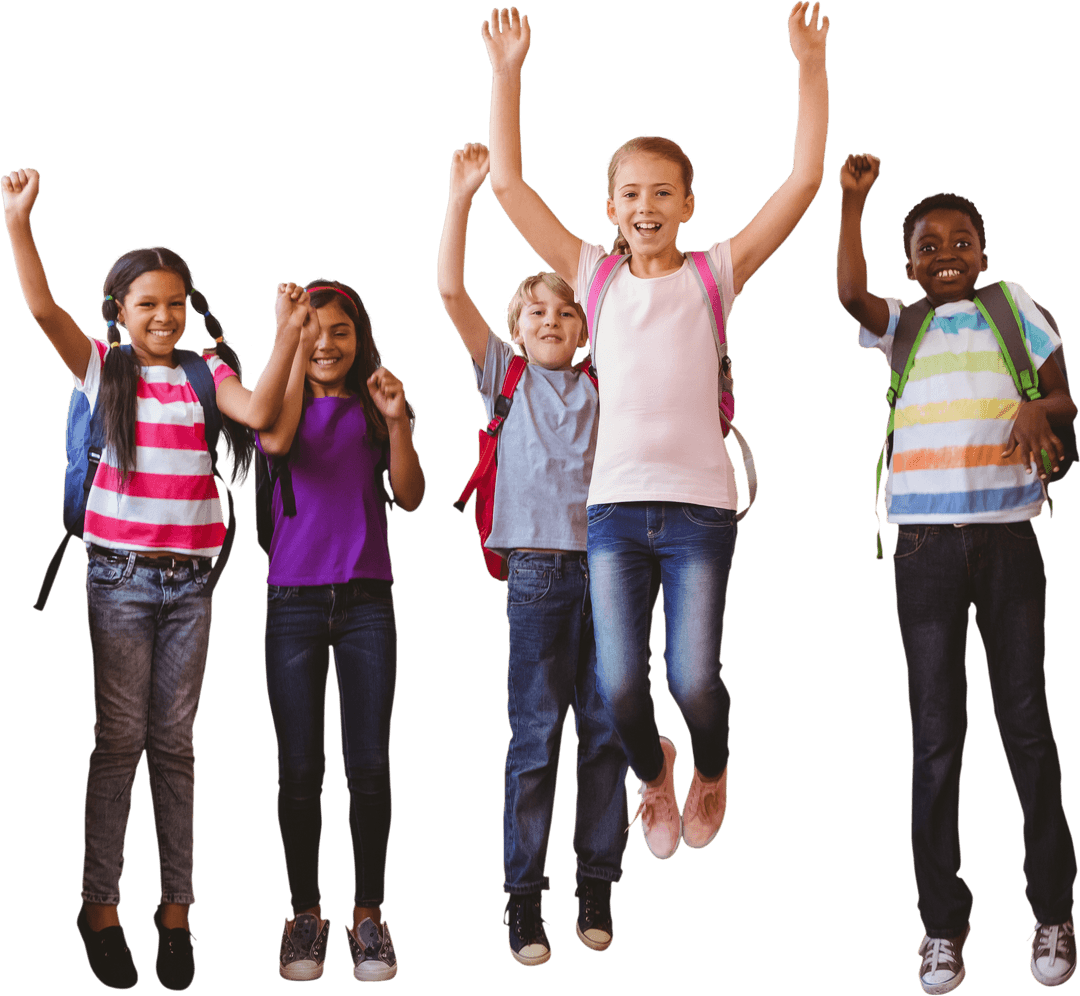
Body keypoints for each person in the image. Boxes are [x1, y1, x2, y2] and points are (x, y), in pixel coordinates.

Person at [481, 4, 829, 860]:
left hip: (701, 512)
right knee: (617, 682)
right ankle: (653, 772)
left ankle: (710, 768)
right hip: (615, 515)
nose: (646, 206)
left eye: (662, 194)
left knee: (694, 678)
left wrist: (807, 64)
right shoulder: (593, 277)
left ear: (687, 205)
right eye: (631, 194)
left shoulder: (715, 274)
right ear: (610, 206)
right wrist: (508, 72)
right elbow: (507, 187)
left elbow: (803, 183)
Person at [2, 167, 300, 991]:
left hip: (193, 587)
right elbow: (39, 309)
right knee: (119, 743)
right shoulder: (104, 368)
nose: (162, 317)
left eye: (174, 303)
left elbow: (263, 414)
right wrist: (18, 222)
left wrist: (282, 332)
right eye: (146, 306)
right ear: (120, 315)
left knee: (175, 746)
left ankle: (176, 911)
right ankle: (100, 906)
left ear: (190, 307)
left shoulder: (208, 374)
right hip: (120, 581)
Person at [836, 152, 1079, 993]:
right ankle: (942, 926)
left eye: (962, 241)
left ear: (984, 253)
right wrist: (853, 204)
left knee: (1028, 728)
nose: (946, 251)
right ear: (909, 264)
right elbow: (846, 293)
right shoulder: (899, 322)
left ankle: (1053, 911)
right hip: (923, 550)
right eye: (929, 244)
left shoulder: (1017, 309)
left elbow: (1065, 403)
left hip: (1010, 540)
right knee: (936, 739)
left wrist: (1036, 408)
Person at [438, 142, 628, 966]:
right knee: (535, 735)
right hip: (538, 575)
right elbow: (450, 288)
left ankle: (596, 881)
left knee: (607, 730)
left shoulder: (606, 382)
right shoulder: (503, 378)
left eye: (565, 311)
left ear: (586, 324)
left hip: (613, 569)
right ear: (515, 328)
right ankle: (523, 899)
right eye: (536, 313)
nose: (550, 322)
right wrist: (463, 198)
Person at [259, 278, 424, 983]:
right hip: (292, 604)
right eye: (312, 330)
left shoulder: (375, 405)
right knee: (300, 770)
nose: (326, 343)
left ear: (361, 339)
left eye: (340, 331)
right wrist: (285, 335)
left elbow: (411, 496)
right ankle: (304, 914)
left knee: (370, 767)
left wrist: (400, 422)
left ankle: (368, 916)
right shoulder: (278, 401)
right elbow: (277, 436)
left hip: (366, 604)